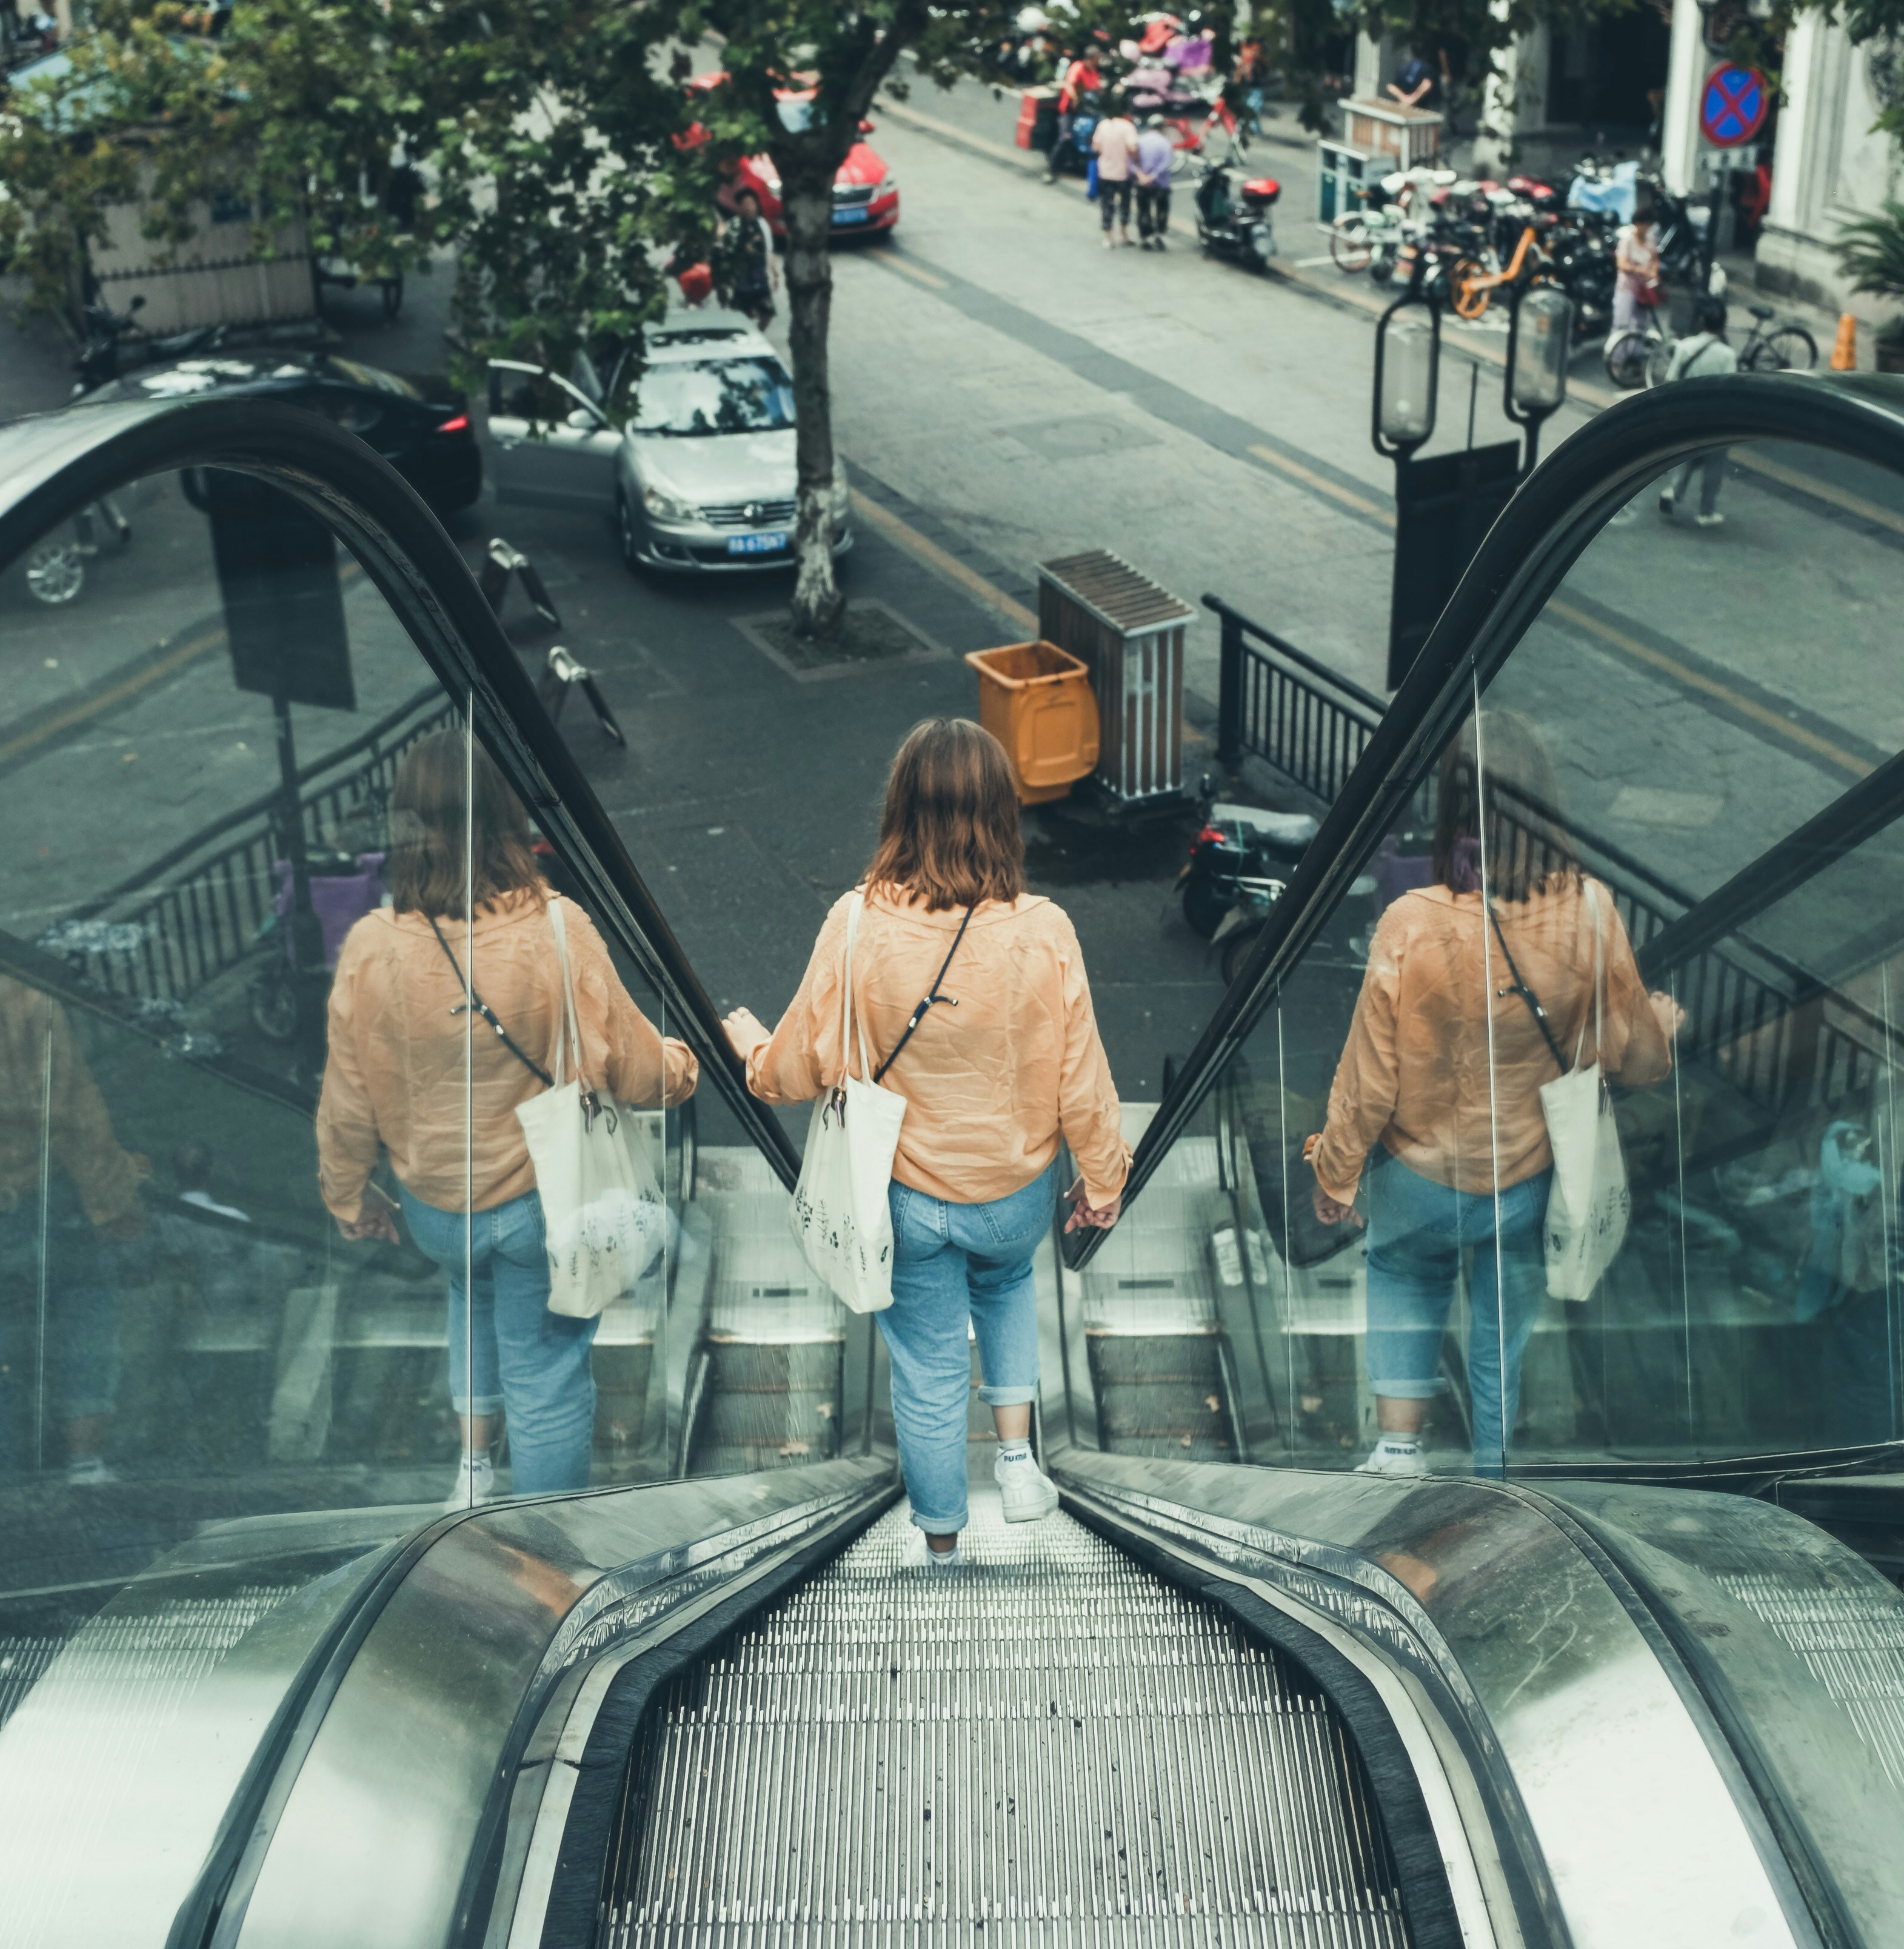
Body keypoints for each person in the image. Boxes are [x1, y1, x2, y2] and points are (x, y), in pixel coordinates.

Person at [723, 720, 1128, 1565]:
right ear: (999, 813)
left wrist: (751, 1052)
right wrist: (1103, 1179)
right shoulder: (1043, 929)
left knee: (928, 1371)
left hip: (905, 1200)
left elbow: (798, 1067)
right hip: (1015, 1195)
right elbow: (1081, 1078)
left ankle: (941, 1546)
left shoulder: (856, 925)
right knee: (1010, 1286)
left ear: (901, 809)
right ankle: (1019, 1458)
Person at [316, 731, 697, 1507]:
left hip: (434, 1209)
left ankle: (472, 1476)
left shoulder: (371, 948)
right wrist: (689, 1064)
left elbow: (347, 1098)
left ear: (407, 829)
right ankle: (549, 1543)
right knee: (548, 1368)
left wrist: (350, 1198)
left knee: (470, 1296)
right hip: (536, 1208)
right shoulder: (556, 932)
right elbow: (634, 1069)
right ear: (504, 822)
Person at [1306, 714, 1681, 1477]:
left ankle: (1399, 1450)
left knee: (1406, 1275)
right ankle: (1493, 1469)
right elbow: (1638, 1061)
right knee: (1503, 1318)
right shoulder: (1590, 912)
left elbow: (1368, 1079)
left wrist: (1335, 1174)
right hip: (1525, 1177)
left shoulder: (1411, 924)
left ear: (1453, 810)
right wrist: (1662, 1025)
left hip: (1419, 1173)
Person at [0, 974, 148, 1483]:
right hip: (38, 1200)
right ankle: (85, 1463)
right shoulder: (20, 999)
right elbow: (71, 1114)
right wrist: (112, 1200)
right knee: (86, 1306)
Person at [1657, 296, 1739, 528]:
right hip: (1713, 418)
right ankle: (1706, 511)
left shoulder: (1684, 347)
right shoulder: (1727, 355)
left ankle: (1674, 491)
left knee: (1689, 454)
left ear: (1702, 321)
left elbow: (1671, 380)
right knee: (1715, 463)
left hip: (1685, 416)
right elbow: (1730, 389)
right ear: (1723, 325)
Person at [723, 186, 778, 330]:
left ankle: (758, 335)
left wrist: (775, 273)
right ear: (738, 206)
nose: (749, 207)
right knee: (741, 314)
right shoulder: (733, 226)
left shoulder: (763, 225)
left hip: (760, 276)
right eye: (745, 204)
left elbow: (769, 250)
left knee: (768, 312)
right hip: (742, 277)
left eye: (752, 203)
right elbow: (726, 254)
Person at [1091, 98, 1140, 248]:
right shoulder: (1128, 127)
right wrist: (1137, 158)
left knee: (1107, 204)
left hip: (1105, 171)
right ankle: (1123, 233)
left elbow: (1095, 148)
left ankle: (1108, 238)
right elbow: (1133, 148)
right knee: (1125, 204)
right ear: (1126, 113)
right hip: (1123, 173)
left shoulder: (1103, 125)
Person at [1613, 203, 1662, 337]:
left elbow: (1655, 259)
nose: (1646, 228)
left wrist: (1655, 271)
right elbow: (1622, 264)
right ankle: (1618, 356)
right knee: (1622, 323)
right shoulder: (1627, 241)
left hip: (1644, 288)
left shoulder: (1650, 240)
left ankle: (1636, 354)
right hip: (1628, 287)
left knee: (1641, 323)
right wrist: (1642, 270)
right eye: (1645, 224)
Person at [1134, 114, 1174, 250]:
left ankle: (1145, 237)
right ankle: (1159, 235)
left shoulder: (1140, 140)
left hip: (1142, 183)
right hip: (1161, 183)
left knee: (1143, 210)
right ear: (1162, 127)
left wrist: (1140, 176)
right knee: (1162, 210)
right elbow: (1165, 163)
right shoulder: (1165, 143)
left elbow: (1131, 160)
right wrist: (1153, 176)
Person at [1387, 45, 1440, 110]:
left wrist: (1404, 99)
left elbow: (1391, 86)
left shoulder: (1405, 66)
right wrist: (1411, 99)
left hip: (1404, 105)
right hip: (1421, 107)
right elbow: (1427, 85)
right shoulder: (1428, 68)